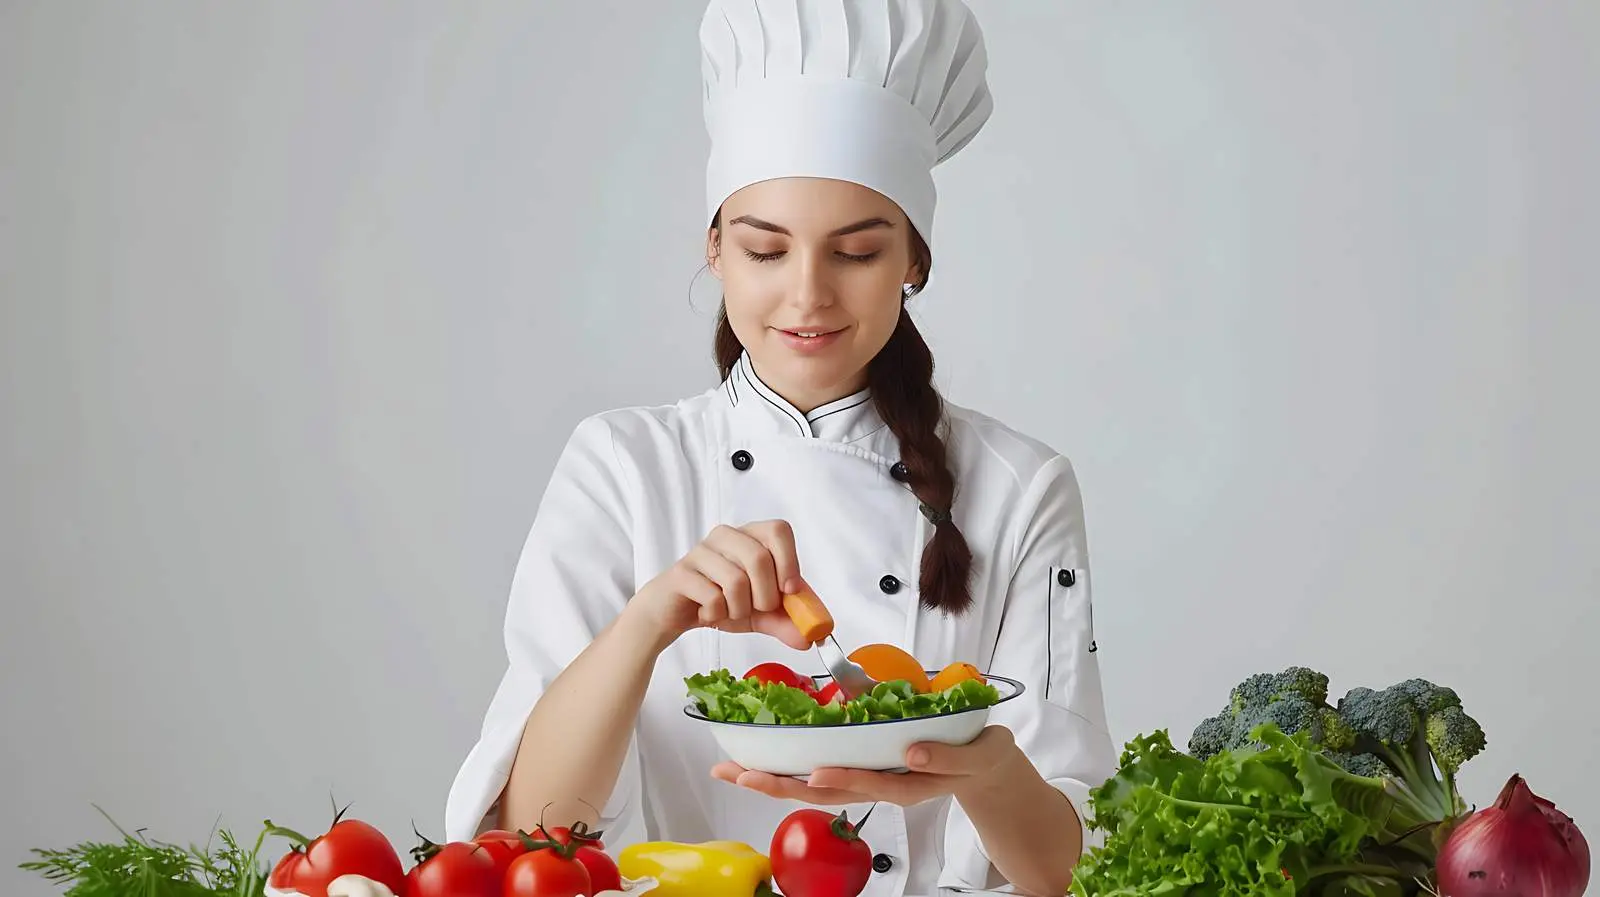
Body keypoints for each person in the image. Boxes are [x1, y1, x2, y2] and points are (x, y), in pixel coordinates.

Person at [444, 1, 1117, 894]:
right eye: (766, 250)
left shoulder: (1022, 487)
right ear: (716, 250)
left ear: (914, 261)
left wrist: (985, 769)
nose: (808, 296)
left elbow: (1071, 871)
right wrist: (650, 621)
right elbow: (531, 838)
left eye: (857, 253)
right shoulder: (624, 466)